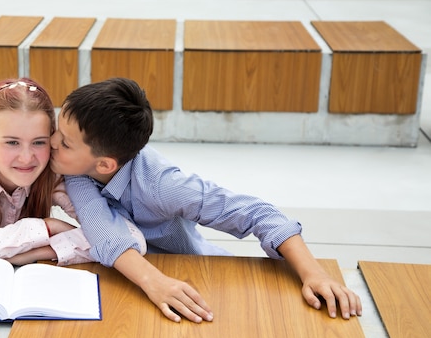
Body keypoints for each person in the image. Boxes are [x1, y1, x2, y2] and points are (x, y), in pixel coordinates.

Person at [49, 77, 363, 324]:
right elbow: (103, 229)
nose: (50, 144)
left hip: (196, 275)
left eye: (63, 142)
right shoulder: (77, 168)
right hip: (139, 280)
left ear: (104, 164)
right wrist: (154, 282)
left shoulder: (163, 186)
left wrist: (314, 273)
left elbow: (256, 213)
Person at [0, 77, 145, 268]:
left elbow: (132, 238)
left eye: (38, 142)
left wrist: (49, 250)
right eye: (12, 142)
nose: (26, 158)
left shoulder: (53, 174)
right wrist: (44, 228)